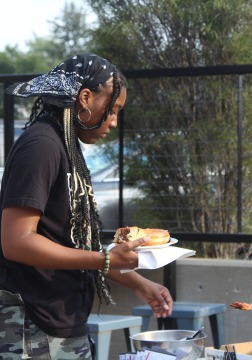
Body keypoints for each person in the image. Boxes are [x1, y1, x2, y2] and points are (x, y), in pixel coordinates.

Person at [0, 54, 173, 359]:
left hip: (62, 323)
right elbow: (16, 242)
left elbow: (77, 246)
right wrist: (105, 260)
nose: (114, 121)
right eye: (114, 109)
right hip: (31, 327)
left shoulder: (67, 147)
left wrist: (139, 283)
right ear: (85, 98)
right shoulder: (41, 145)